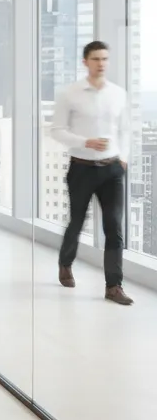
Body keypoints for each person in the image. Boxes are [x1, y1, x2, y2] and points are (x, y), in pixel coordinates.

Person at [51, 40, 133, 306]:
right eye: (96, 59)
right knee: (77, 221)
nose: (102, 64)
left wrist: (123, 158)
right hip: (82, 168)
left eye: (105, 59)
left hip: (112, 170)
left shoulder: (118, 93)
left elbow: (126, 129)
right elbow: (57, 130)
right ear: (85, 62)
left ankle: (113, 286)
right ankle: (65, 263)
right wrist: (85, 141)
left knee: (114, 227)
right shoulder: (70, 93)